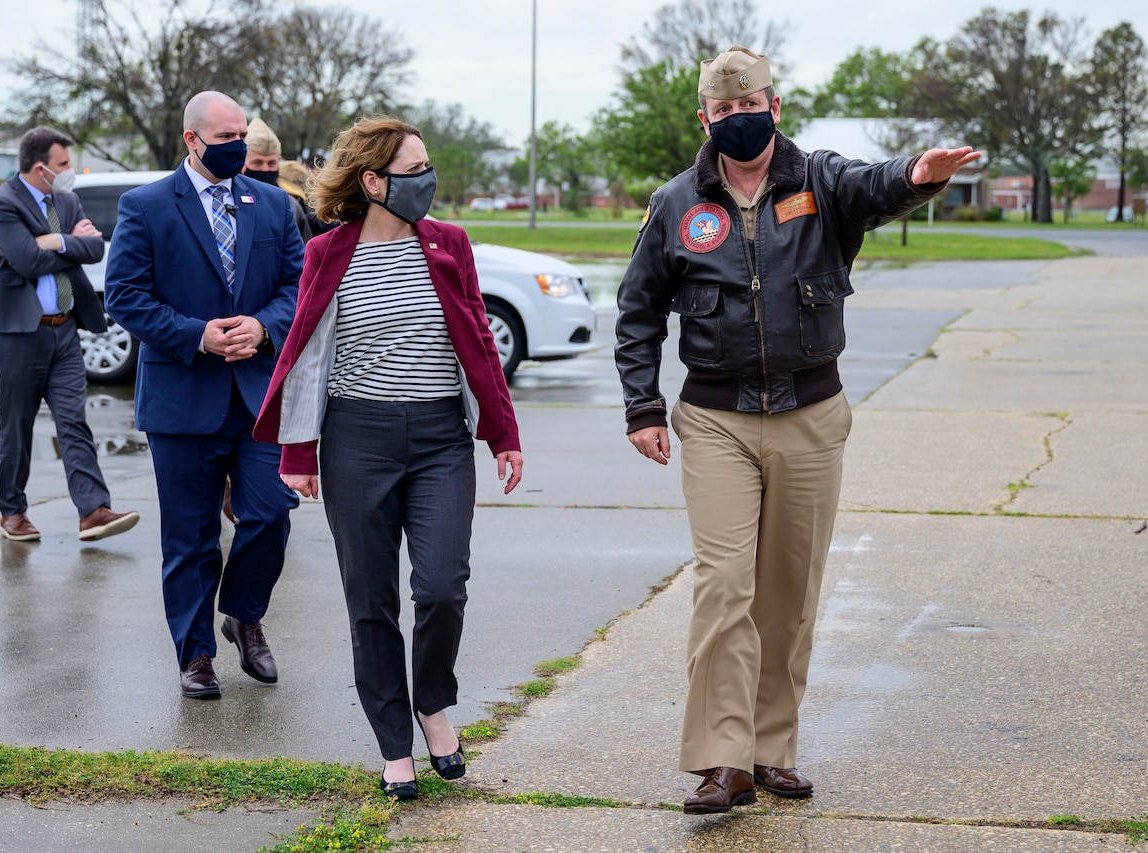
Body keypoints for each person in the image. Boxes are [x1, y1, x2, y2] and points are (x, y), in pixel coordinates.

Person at [614, 46, 981, 815]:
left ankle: (771, 749)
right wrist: (644, 406)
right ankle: (723, 761)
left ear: (775, 108)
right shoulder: (677, 202)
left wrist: (922, 172)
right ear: (706, 119)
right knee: (724, 585)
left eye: (753, 108)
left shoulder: (820, 178)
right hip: (716, 419)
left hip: (811, 414)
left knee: (789, 591)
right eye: (726, 113)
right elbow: (639, 311)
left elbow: (876, 185)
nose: (740, 121)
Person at [252, 116, 523, 800]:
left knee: (440, 587)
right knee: (369, 600)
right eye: (413, 170)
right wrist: (299, 451)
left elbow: (479, 347)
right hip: (357, 440)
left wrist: (503, 433)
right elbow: (307, 356)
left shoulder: (449, 244)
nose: (427, 181)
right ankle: (392, 740)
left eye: (428, 167)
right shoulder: (329, 253)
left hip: (440, 440)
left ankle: (432, 701)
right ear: (373, 181)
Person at [103, 91, 304, 700]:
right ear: (193, 141)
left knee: (270, 512)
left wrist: (264, 326)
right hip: (182, 399)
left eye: (243, 133)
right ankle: (195, 653)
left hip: (256, 398)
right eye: (226, 138)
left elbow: (300, 284)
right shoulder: (145, 206)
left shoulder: (271, 205)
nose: (239, 146)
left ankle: (244, 614)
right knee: (189, 537)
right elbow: (125, 296)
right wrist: (199, 336)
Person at [0, 126, 140, 544]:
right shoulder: (1, 204)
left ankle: (94, 511)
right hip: (16, 333)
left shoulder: (66, 199)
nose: (70, 172)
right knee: (17, 424)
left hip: (65, 330)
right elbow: (26, 261)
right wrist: (64, 244)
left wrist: (53, 241)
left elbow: (96, 248)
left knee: (74, 421)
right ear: (41, 167)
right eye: (64, 164)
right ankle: (12, 511)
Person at [241, 117, 314, 244]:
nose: (265, 169)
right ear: (242, 162)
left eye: (271, 163)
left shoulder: (291, 207)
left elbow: (304, 256)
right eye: (257, 163)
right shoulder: (226, 198)